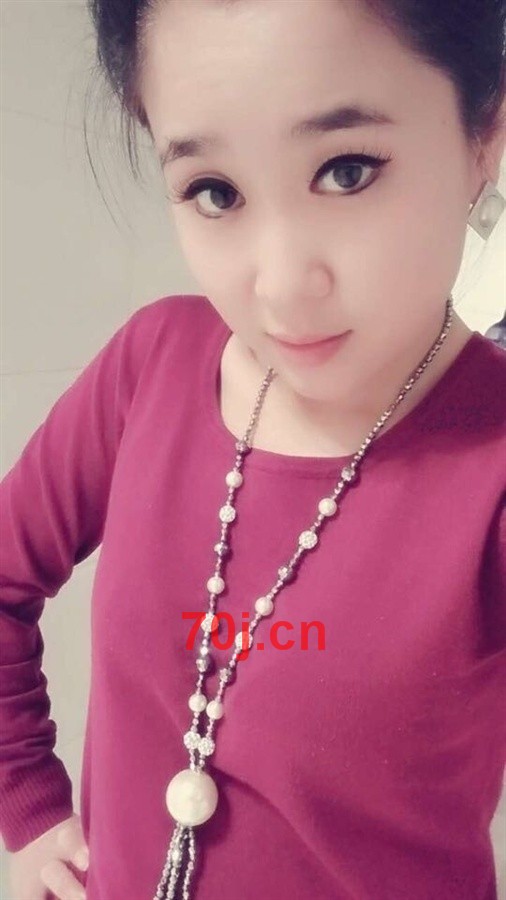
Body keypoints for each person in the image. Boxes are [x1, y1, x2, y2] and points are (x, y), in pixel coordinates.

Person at [1, 0, 505, 898]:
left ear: (485, 137)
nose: (281, 286)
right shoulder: (150, 365)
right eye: (215, 191)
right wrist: (29, 806)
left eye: (347, 170)